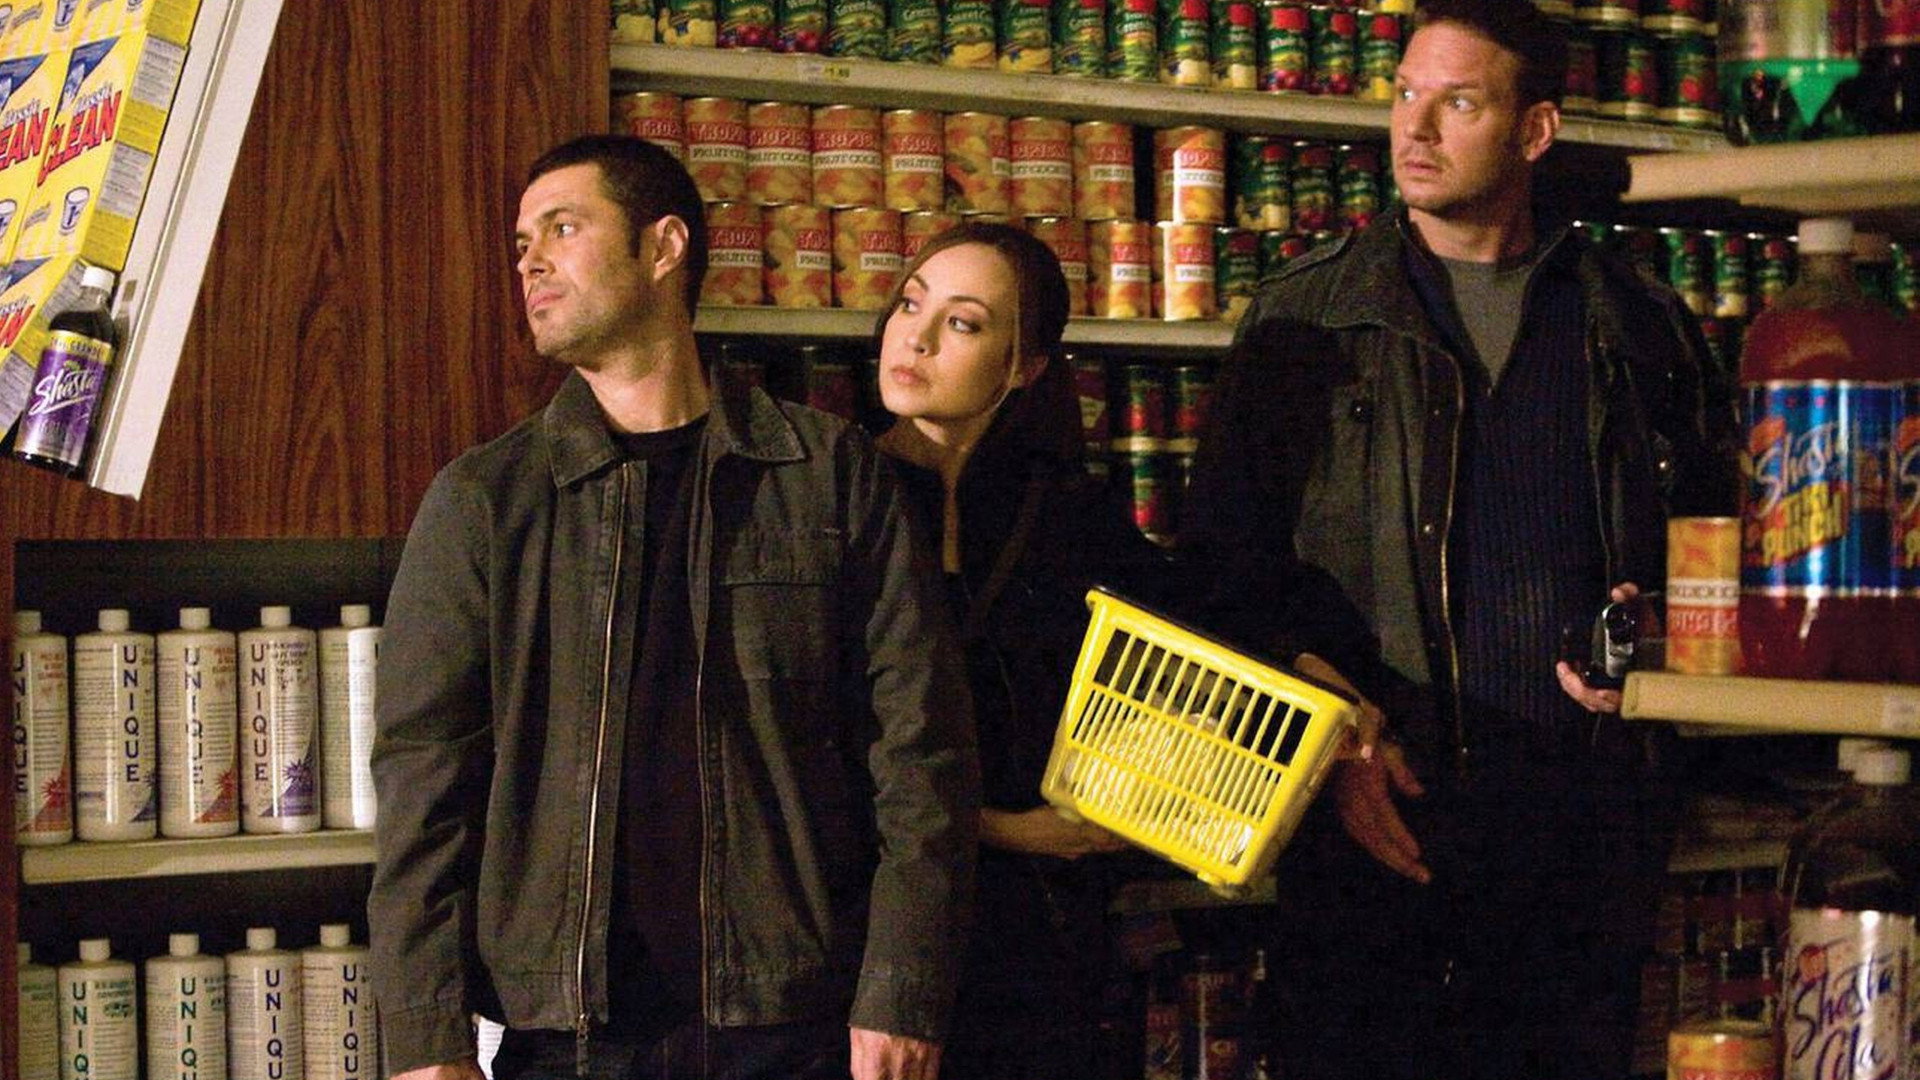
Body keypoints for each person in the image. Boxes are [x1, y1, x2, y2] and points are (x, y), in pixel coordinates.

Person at [1179, 1, 1740, 1075]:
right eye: (1405, 94)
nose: (1415, 127)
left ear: (1534, 131)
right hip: (1371, 827)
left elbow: (1716, 549)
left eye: (1459, 103)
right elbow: (1221, 575)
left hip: (1578, 847)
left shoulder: (1637, 322)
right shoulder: (1308, 317)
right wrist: (1324, 738)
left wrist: (1664, 635)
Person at [367, 135, 980, 1080]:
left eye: (562, 229)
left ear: (663, 248)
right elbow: (424, 781)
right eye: (522, 243)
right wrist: (426, 1039)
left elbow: (920, 753)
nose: (530, 262)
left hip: (794, 1028)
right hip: (571, 1042)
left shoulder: (826, 474)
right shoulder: (486, 501)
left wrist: (903, 990)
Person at [869, 222, 1165, 1080]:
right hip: (881, 950)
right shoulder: (832, 498)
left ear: (1024, 368)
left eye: (962, 322)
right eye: (909, 305)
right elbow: (801, 753)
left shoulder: (1068, 512)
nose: (916, 337)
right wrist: (1009, 830)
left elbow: (1181, 662)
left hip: (1047, 951)